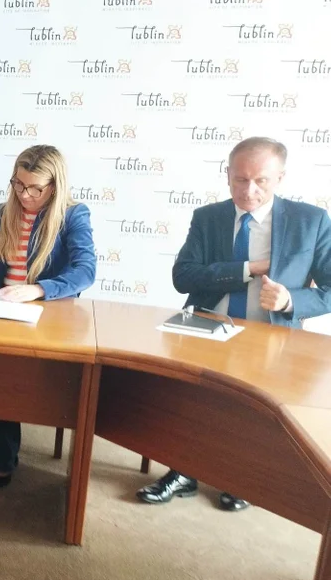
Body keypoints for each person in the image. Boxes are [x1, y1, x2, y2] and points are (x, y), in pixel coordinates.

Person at [139, 137, 331, 511]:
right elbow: (183, 276)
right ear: (227, 174)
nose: (249, 190)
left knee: (252, 412)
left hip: (272, 335)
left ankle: (240, 478)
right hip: (207, 327)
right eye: (240, 179)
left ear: (280, 178)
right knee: (192, 402)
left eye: (261, 181)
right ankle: (182, 471)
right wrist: (247, 269)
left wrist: (291, 300)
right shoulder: (208, 217)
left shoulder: (311, 221)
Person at [0, 145, 96, 488]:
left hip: (44, 317)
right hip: (0, 308)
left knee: (5, 376)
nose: (24, 195)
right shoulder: (4, 212)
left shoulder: (73, 215)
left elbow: (85, 270)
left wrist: (39, 289)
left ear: (54, 187)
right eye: (18, 184)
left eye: (34, 188)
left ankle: (0, 457)